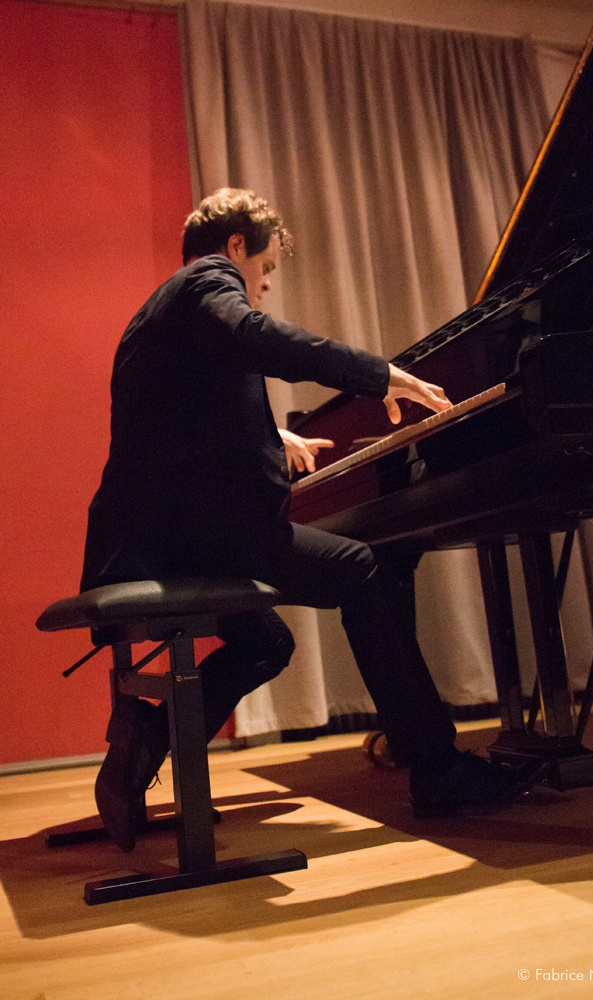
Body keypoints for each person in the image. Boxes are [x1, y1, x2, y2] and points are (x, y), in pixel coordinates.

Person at [82, 188, 541, 851]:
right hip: (200, 537)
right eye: (265, 269)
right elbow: (253, 334)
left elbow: (174, 422)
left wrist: (270, 435)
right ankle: (438, 769)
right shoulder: (208, 280)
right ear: (236, 246)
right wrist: (378, 375)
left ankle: (150, 737)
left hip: (156, 538)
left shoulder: (159, 313)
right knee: (366, 571)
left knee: (266, 643)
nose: (264, 287)